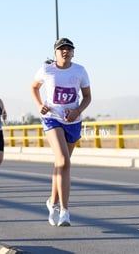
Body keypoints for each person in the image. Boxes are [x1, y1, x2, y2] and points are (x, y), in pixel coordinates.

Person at [31, 38, 91, 227]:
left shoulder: (80, 71)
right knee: (64, 161)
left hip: (73, 121)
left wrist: (77, 111)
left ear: (73, 52)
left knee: (61, 165)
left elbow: (88, 97)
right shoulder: (47, 70)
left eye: (68, 49)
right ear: (55, 53)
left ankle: (52, 202)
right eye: (61, 49)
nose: (65, 51)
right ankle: (64, 211)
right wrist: (40, 105)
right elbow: (34, 87)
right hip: (52, 118)